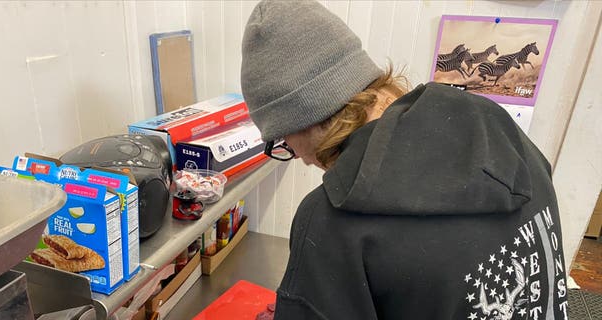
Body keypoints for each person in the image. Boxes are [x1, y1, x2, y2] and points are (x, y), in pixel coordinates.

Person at [240, 1, 569, 319]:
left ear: (304, 117)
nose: (298, 157)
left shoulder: (332, 221)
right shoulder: (497, 127)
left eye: (283, 140)